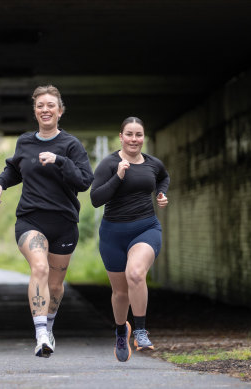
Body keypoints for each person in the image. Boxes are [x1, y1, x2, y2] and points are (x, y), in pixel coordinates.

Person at [0, 85, 94, 357]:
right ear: (35, 111)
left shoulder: (71, 145)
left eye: (50, 105)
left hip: (64, 222)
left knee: (57, 284)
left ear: (60, 111)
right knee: (39, 267)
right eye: (40, 106)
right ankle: (40, 335)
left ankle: (48, 327)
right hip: (31, 219)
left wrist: (60, 160)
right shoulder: (25, 142)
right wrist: (1, 184)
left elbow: (84, 181)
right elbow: (14, 168)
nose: (45, 110)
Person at [90, 116, 170, 362]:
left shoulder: (153, 164)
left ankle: (141, 330)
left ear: (143, 137)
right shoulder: (109, 163)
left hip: (145, 228)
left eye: (139, 135)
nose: (134, 139)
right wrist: (118, 177)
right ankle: (120, 331)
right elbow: (95, 199)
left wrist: (161, 193)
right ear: (121, 137)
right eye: (130, 134)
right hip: (113, 234)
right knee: (120, 293)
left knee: (135, 273)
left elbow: (163, 177)